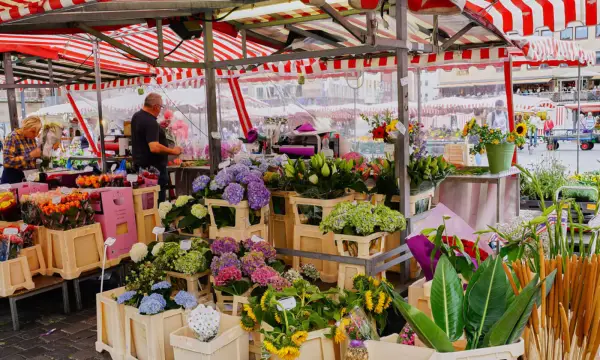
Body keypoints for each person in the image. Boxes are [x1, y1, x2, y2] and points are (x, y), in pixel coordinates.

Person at [131, 93, 181, 202]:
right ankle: (158, 219)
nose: (160, 110)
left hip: (141, 167)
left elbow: (143, 135)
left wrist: (158, 128)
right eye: (161, 107)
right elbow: (154, 147)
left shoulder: (137, 116)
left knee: (145, 201)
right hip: (154, 170)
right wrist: (173, 151)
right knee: (156, 201)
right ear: (155, 107)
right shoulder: (150, 122)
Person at [1, 116, 42, 184]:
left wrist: (39, 155)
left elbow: (33, 156)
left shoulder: (31, 139)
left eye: (37, 132)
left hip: (27, 177)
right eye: (33, 131)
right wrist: (30, 155)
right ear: (25, 127)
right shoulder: (12, 137)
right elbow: (8, 161)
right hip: (13, 179)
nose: (35, 134)